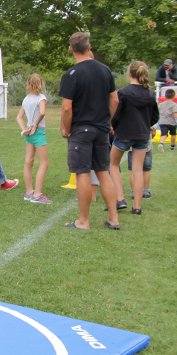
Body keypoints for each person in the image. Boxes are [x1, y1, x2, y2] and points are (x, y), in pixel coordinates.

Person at [59, 32, 120, 230]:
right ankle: (113, 217)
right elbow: (115, 100)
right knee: (104, 172)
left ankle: (83, 221)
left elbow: (67, 108)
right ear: (89, 47)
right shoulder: (105, 71)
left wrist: (67, 129)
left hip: (81, 130)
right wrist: (107, 120)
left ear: (71, 49)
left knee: (82, 173)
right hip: (102, 129)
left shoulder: (71, 75)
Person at [108, 61, 160, 215]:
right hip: (143, 135)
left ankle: (120, 199)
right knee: (138, 170)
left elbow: (116, 113)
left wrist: (114, 125)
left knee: (113, 165)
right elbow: (155, 116)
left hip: (124, 133)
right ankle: (137, 206)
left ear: (129, 73)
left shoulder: (122, 93)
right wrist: (146, 124)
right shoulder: (150, 93)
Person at [16, 74, 51, 204]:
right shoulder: (41, 98)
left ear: (28, 85)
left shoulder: (26, 99)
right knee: (44, 163)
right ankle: (37, 194)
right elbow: (42, 112)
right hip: (38, 132)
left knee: (28, 162)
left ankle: (29, 192)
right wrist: (35, 124)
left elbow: (19, 117)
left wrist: (24, 129)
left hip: (29, 133)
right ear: (41, 85)